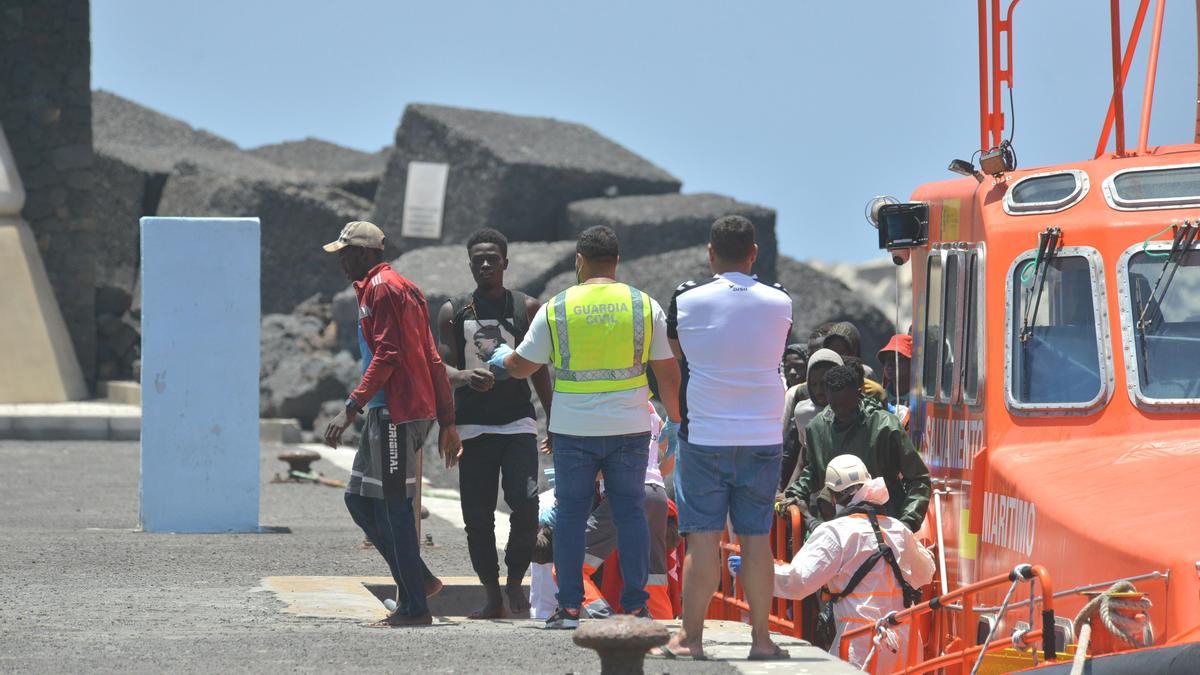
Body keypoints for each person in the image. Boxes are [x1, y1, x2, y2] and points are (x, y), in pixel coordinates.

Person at [491, 225, 682, 629]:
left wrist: (502, 359)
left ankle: (570, 608)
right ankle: (634, 606)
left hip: (574, 428)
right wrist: (677, 420)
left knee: (572, 515)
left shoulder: (557, 307)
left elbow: (525, 365)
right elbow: (668, 370)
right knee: (630, 514)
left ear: (579, 261)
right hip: (630, 426)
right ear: (616, 261)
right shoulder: (643, 305)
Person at [661, 215, 793, 661]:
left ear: (710, 253)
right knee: (756, 539)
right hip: (762, 434)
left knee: (702, 539)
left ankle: (691, 639)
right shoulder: (781, 301)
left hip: (705, 434)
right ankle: (761, 640)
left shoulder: (685, 299)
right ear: (754, 253)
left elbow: (673, 356)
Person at [321, 220, 461, 627]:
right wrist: (447, 419)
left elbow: (388, 355)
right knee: (359, 500)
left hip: (396, 414)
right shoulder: (387, 287)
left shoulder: (384, 289)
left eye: (346, 253)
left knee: (395, 508)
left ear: (366, 253)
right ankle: (419, 579)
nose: (342, 260)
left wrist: (350, 408)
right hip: (389, 412)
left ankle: (415, 606)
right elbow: (431, 356)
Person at [436, 228, 554, 619]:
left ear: (506, 262)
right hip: (472, 428)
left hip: (518, 424)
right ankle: (491, 594)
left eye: (492, 258)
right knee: (477, 517)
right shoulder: (454, 311)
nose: (485, 264)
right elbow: (442, 368)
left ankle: (515, 580)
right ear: (469, 263)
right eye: (477, 259)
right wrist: (463, 381)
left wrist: (553, 419)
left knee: (525, 506)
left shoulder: (527, 308)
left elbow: (539, 370)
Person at [754, 455, 934, 670]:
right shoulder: (897, 528)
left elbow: (797, 582)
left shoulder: (835, 533)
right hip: (906, 640)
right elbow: (925, 573)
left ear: (832, 497)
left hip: (862, 642)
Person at [785, 365, 930, 533]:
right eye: (834, 405)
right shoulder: (817, 428)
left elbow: (919, 478)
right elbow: (812, 471)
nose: (840, 411)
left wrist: (907, 523)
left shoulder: (886, 426)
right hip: (834, 525)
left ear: (859, 393)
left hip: (884, 524)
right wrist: (793, 494)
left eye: (845, 405)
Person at [581, 401, 676, 620]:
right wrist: (656, 475)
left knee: (569, 566)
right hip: (656, 495)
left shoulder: (602, 406)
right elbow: (671, 449)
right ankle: (665, 628)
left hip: (624, 495)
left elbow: (604, 465)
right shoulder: (649, 408)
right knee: (653, 576)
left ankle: (604, 618)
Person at [779, 349, 843, 492]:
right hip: (815, 491)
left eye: (825, 383)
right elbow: (804, 457)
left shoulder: (853, 409)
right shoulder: (803, 413)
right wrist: (787, 492)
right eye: (813, 385)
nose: (819, 390)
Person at [878, 333, 913, 406]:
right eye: (886, 359)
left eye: (896, 358)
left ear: (912, 363)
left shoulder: (921, 402)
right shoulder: (879, 400)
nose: (888, 364)